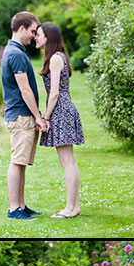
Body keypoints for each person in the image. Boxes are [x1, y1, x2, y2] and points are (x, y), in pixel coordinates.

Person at [0, 11, 49, 221]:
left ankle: (21, 205)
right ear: (21, 29)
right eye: (32, 31)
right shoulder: (16, 54)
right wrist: (38, 116)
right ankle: (13, 209)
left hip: (21, 115)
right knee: (17, 162)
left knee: (21, 164)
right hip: (21, 115)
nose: (33, 36)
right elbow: (25, 89)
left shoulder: (15, 50)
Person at [34, 23, 84, 219]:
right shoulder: (58, 56)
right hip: (63, 109)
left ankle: (72, 208)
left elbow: (54, 93)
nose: (36, 38)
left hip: (61, 110)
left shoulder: (55, 58)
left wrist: (45, 117)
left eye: (38, 35)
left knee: (68, 162)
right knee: (67, 161)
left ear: (49, 37)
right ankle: (73, 206)